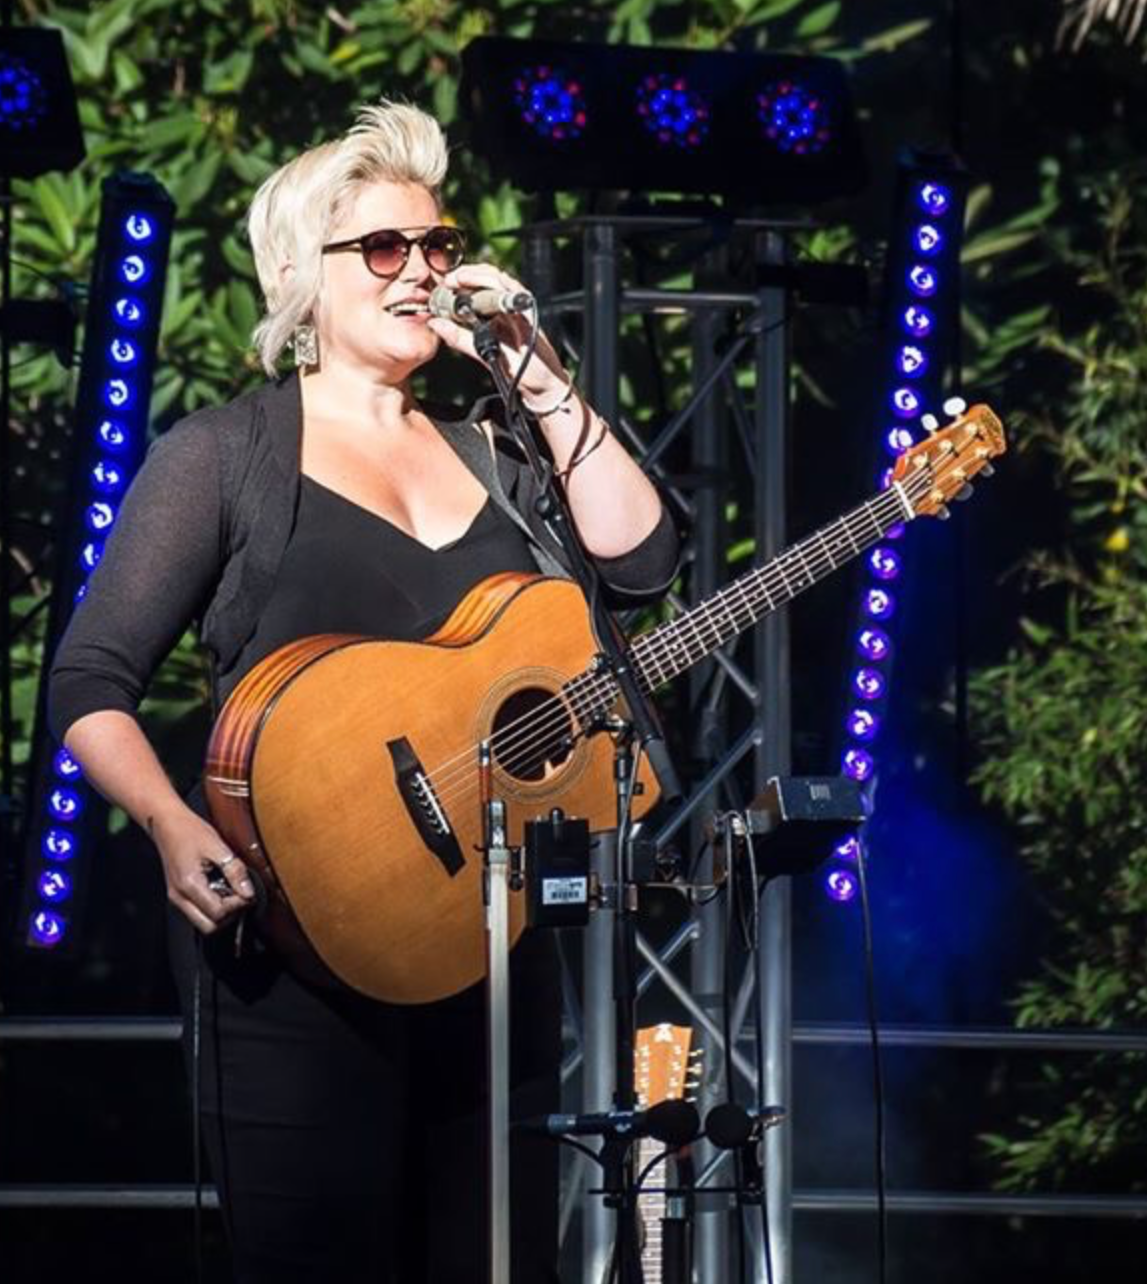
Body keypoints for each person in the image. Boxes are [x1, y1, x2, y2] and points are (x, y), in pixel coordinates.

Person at [49, 102, 679, 1283]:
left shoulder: (494, 450)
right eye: (385, 248)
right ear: (302, 274)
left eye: (437, 245)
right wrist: (170, 822)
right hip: (291, 950)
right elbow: (89, 678)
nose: (421, 270)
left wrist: (536, 374)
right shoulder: (226, 456)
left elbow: (641, 563)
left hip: (486, 954)